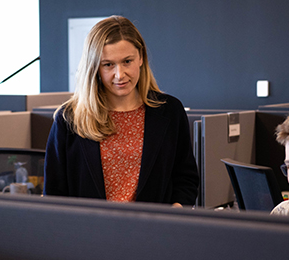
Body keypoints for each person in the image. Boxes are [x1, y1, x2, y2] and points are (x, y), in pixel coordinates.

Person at [44, 16, 199, 207]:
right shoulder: (70, 119)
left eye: (127, 61)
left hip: (154, 231)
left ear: (141, 58)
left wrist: (175, 212)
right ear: (95, 68)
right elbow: (54, 193)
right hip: (90, 232)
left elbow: (186, 178)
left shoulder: (169, 112)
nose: (120, 74)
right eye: (108, 64)